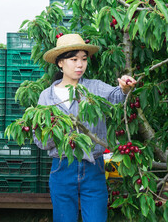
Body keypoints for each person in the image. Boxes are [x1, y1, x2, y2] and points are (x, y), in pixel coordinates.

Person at [34, 34, 136, 222]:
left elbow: (116, 96)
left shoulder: (94, 88)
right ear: (60, 63)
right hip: (62, 167)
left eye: (83, 59)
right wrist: (59, 130)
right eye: (74, 60)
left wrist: (124, 87)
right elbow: (40, 140)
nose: (80, 65)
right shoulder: (46, 97)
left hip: (94, 166)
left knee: (96, 218)